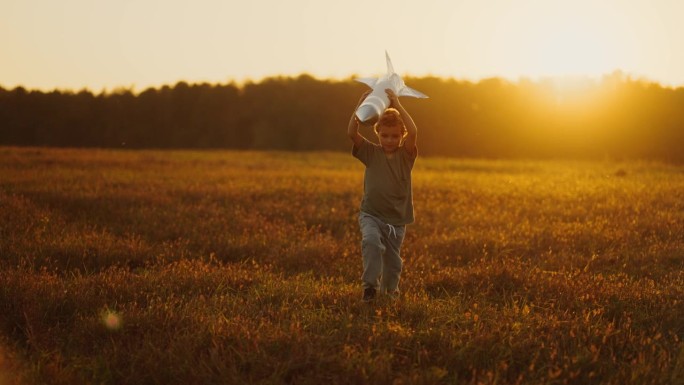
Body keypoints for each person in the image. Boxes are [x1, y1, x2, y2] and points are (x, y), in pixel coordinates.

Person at [347, 88, 418, 302]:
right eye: (384, 135)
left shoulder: (405, 155)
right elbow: (351, 133)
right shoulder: (371, 152)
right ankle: (369, 288)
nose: (389, 140)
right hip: (371, 214)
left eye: (395, 136)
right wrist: (359, 107)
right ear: (377, 133)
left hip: (396, 220)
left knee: (392, 262)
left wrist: (397, 105)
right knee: (371, 242)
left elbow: (414, 131)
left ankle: (389, 293)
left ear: (401, 136)